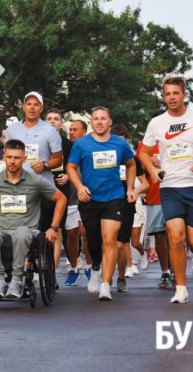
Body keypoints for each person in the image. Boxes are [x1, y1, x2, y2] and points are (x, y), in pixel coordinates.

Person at [139, 76, 193, 304]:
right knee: (175, 237)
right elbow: (144, 152)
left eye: (176, 93)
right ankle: (181, 289)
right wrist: (152, 171)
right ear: (164, 96)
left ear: (184, 95)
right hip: (170, 187)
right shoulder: (157, 123)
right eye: (167, 94)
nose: (172, 98)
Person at [0, 139, 68, 299]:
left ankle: (16, 281)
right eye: (9, 157)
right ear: (4, 158)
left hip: (28, 231)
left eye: (17, 157)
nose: (12, 161)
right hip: (1, 230)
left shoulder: (35, 181)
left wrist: (54, 227)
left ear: (24, 159)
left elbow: (61, 199)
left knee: (21, 232)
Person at [67, 107, 137, 301]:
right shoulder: (82, 144)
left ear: (109, 122)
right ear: (92, 122)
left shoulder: (120, 143)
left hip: (114, 198)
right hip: (89, 199)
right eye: (96, 119)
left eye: (103, 119)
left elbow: (131, 165)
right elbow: (71, 167)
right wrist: (79, 187)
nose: (99, 122)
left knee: (110, 240)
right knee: (93, 241)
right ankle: (95, 266)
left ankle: (106, 284)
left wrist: (130, 188)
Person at [6, 92, 63, 236]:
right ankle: (24, 258)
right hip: (17, 187)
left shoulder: (50, 131)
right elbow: (7, 156)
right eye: (29, 104)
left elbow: (58, 160)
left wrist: (45, 164)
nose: (32, 108)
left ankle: (40, 257)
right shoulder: (12, 130)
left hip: (41, 188)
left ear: (41, 109)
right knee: (18, 229)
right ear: (23, 107)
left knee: (41, 232)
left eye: (36, 105)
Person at [110, 124, 149, 292]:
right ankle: (105, 275)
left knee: (124, 243)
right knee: (110, 243)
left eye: (123, 139)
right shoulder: (107, 157)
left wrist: (133, 190)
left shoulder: (134, 160)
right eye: (116, 139)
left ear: (127, 140)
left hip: (128, 204)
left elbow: (146, 184)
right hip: (108, 203)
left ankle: (122, 275)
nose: (119, 142)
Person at [136, 109, 173, 288]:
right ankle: (165, 272)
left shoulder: (177, 139)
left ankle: (175, 269)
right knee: (159, 236)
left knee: (175, 235)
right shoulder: (146, 145)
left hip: (175, 193)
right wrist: (149, 162)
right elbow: (136, 172)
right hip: (155, 196)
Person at [44, 109, 81, 286]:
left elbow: (74, 166)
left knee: (57, 233)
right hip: (39, 191)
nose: (52, 122)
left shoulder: (68, 144)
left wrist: (67, 174)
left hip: (62, 192)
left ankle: (52, 275)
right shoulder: (37, 140)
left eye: (56, 119)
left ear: (61, 123)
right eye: (49, 119)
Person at [68, 119, 93, 278]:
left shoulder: (90, 147)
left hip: (87, 197)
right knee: (72, 235)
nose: (71, 132)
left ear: (84, 132)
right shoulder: (63, 148)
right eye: (70, 129)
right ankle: (74, 267)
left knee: (87, 233)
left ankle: (90, 266)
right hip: (70, 197)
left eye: (75, 130)